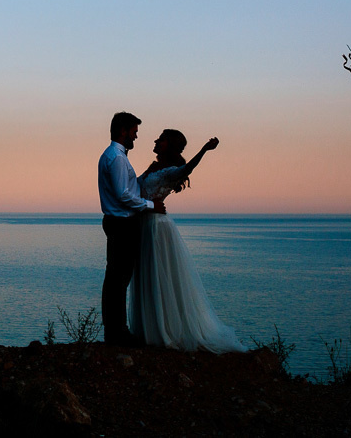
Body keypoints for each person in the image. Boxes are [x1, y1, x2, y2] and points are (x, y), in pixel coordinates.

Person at [129, 129, 247, 353]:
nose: (156, 140)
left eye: (161, 139)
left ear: (170, 145)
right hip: (144, 225)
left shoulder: (171, 171)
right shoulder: (153, 167)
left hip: (157, 227)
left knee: (160, 277)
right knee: (148, 276)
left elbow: (187, 169)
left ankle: (165, 331)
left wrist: (204, 150)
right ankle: (150, 330)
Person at [98, 112, 165, 345]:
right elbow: (123, 194)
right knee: (118, 280)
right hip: (122, 223)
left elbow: (129, 187)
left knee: (117, 278)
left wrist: (147, 174)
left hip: (119, 222)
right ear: (123, 131)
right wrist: (152, 206)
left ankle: (115, 331)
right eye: (134, 132)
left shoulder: (115, 156)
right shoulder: (117, 158)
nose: (136, 137)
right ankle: (117, 333)